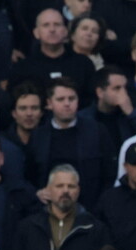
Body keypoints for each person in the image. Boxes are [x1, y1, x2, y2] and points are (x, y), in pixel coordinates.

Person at [28, 77, 112, 210]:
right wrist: (37, 192)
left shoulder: (97, 131)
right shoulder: (38, 136)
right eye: (61, 99)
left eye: (71, 99)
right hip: (48, 211)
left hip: (91, 209)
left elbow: (109, 173)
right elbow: (29, 174)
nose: (67, 104)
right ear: (49, 103)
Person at [8, 8, 96, 105]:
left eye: (57, 24)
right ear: (36, 33)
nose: (52, 29)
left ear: (65, 31)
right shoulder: (22, 68)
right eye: (46, 25)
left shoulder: (83, 64)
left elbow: (91, 101)